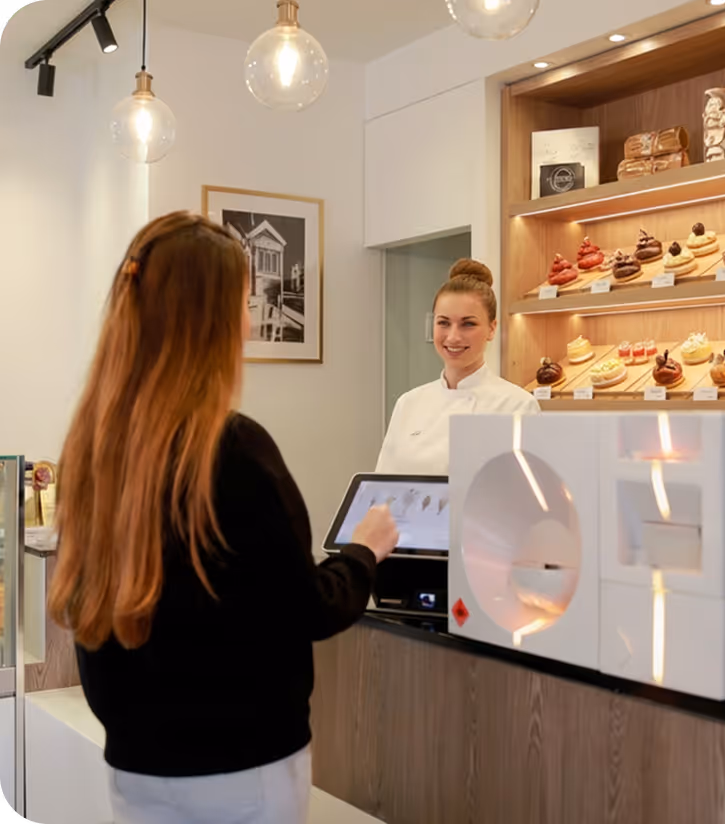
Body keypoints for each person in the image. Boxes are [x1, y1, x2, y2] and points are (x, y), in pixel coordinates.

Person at [47, 212, 399, 824]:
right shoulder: (233, 449)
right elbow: (306, 609)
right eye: (243, 301)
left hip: (136, 768)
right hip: (241, 773)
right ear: (208, 320)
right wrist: (363, 553)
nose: (251, 318)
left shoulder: (95, 444)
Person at [376, 258, 540, 475]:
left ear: (492, 329)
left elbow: (525, 496)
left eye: (468, 324)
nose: (453, 337)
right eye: (443, 323)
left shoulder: (518, 406)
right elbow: (382, 487)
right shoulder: (408, 403)